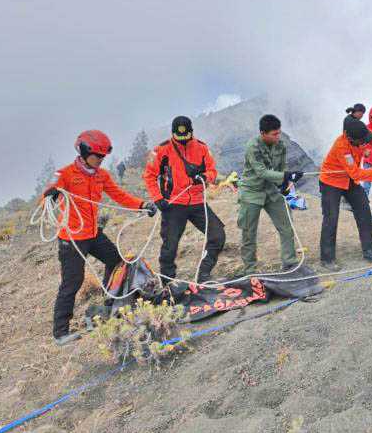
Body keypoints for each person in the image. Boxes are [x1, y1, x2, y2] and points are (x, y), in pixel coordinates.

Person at [43, 130, 156, 345]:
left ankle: (109, 303)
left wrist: (142, 205)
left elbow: (118, 195)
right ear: (84, 152)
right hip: (72, 238)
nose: (100, 160)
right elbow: (47, 194)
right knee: (72, 281)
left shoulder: (102, 175)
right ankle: (61, 332)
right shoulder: (65, 174)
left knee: (116, 262)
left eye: (103, 157)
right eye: (97, 156)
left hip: (94, 234)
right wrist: (51, 194)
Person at [143, 116, 225, 284]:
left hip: (197, 202)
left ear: (191, 133)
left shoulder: (202, 148)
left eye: (185, 137)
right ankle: (168, 283)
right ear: (173, 134)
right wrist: (158, 198)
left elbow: (213, 171)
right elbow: (149, 176)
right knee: (169, 248)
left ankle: (204, 274)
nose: (182, 141)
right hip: (173, 205)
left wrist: (205, 176)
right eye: (178, 138)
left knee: (217, 235)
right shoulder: (161, 150)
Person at [319, 116, 372, 270]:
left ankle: (369, 250)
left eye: (364, 140)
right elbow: (355, 173)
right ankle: (327, 258)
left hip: (350, 182)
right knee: (331, 218)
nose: (364, 143)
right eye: (361, 142)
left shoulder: (363, 133)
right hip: (331, 181)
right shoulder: (341, 147)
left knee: (364, 212)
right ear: (349, 137)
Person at [237, 114, 303, 274]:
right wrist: (285, 176)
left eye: (279, 133)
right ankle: (250, 270)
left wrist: (286, 183)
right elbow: (261, 172)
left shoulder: (281, 146)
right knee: (249, 232)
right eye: (274, 134)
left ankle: (290, 262)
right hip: (252, 192)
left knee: (286, 226)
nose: (278, 137)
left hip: (272, 191)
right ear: (263, 133)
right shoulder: (253, 147)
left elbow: (280, 168)